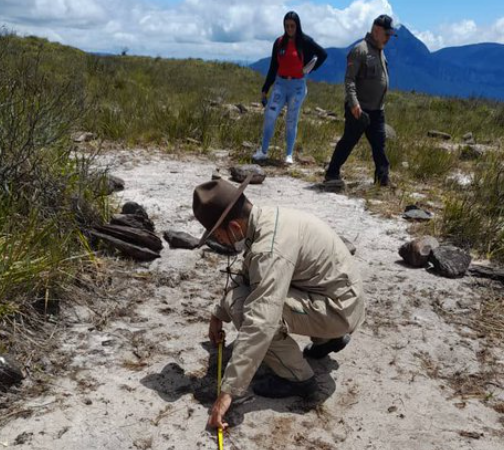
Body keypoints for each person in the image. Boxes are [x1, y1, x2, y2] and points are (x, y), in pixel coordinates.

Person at [192, 176, 365, 429]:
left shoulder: (269, 248)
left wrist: (227, 392)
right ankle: (327, 339)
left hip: (338, 311)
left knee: (244, 307)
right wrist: (217, 314)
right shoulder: (267, 219)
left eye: (219, 237)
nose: (221, 243)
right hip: (343, 300)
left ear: (235, 229)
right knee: (244, 296)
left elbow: (261, 321)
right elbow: (250, 274)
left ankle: (298, 378)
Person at [324, 14, 396, 187]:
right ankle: (332, 173)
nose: (388, 39)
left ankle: (382, 179)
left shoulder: (380, 52)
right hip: (359, 109)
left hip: (377, 110)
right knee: (348, 141)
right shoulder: (360, 50)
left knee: (379, 145)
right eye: (387, 34)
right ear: (377, 31)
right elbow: (350, 80)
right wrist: (354, 104)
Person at [253, 11, 327, 165]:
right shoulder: (279, 42)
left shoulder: (305, 41)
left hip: (297, 86)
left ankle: (288, 155)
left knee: (291, 120)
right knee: (270, 116)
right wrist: (265, 88)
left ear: (297, 25)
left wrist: (309, 69)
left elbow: (323, 54)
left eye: (292, 26)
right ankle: (263, 151)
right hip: (280, 84)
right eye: (287, 26)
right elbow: (273, 66)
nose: (289, 29)